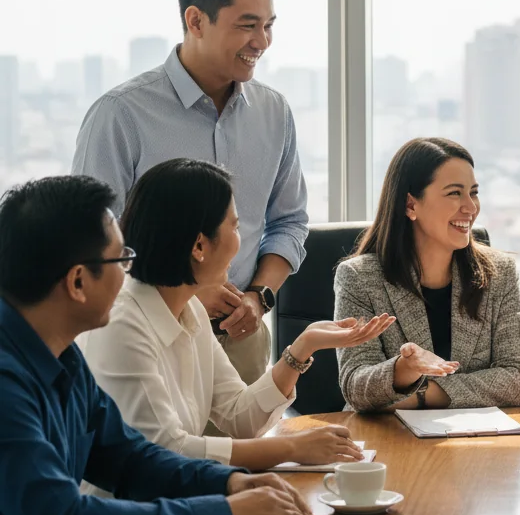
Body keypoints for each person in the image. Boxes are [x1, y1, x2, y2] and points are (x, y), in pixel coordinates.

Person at [0, 176, 318, 515]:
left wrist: (229, 483)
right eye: (120, 259)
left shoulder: (63, 353)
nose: (129, 272)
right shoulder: (7, 383)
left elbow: (128, 457)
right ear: (77, 282)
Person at [72, 0, 307, 384]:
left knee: (245, 451)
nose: (262, 42)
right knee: (160, 452)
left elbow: (289, 221)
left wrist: (258, 297)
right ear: (196, 20)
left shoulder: (275, 113)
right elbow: (90, 244)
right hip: (148, 340)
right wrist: (187, 291)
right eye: (247, 26)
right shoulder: (121, 114)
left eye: (269, 26)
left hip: (243, 337)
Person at [78, 159, 396, 473]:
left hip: (173, 502)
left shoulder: (188, 310)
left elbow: (238, 416)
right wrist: (291, 447)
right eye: (235, 226)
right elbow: (166, 451)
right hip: (127, 514)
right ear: (199, 246)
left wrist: (303, 346)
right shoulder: (122, 325)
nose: (240, 241)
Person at [334, 138, 520, 412]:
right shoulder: (361, 278)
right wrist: (401, 370)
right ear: (410, 205)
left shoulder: (499, 273)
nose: (470, 207)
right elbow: (356, 387)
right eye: (455, 193)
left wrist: (422, 395)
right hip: (389, 441)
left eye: (473, 192)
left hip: (476, 443)